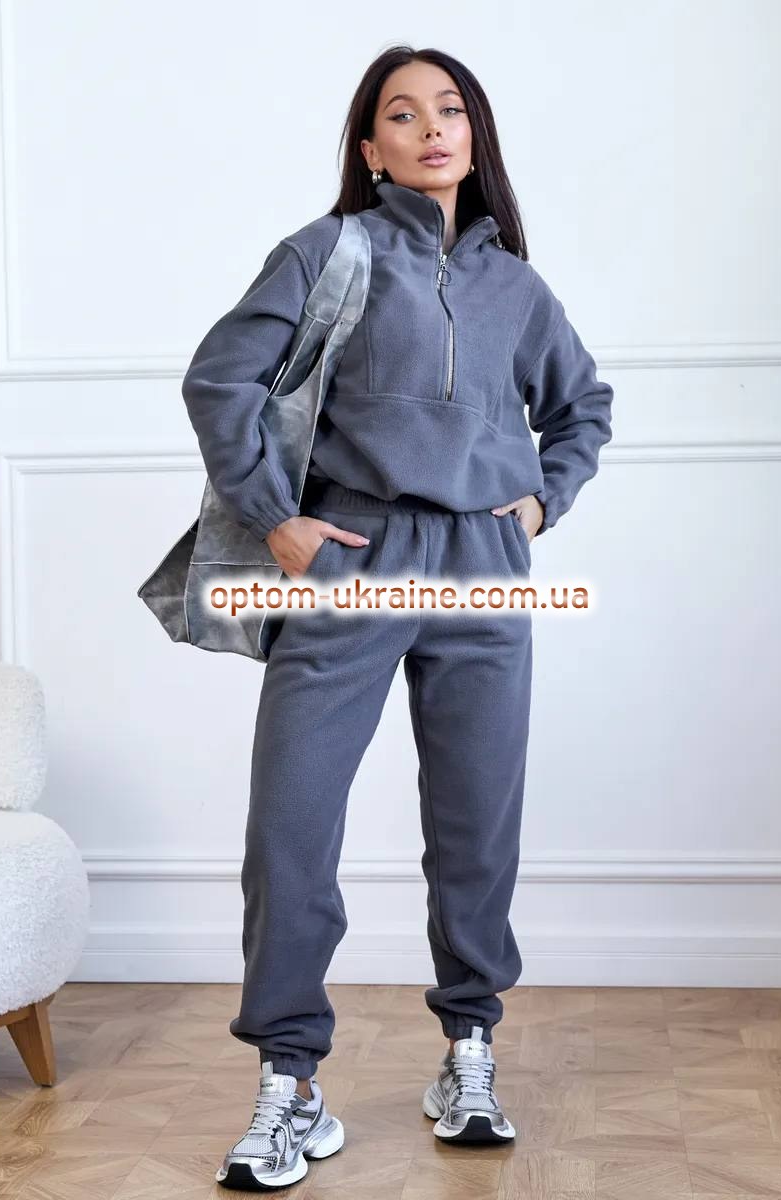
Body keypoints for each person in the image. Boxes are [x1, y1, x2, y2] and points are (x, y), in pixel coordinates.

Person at [181, 44, 613, 1192]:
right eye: (403, 114)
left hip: (483, 569)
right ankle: (290, 1081)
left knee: (475, 827)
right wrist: (276, 518)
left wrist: (543, 500)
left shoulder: (516, 288)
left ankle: (468, 1049)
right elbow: (221, 379)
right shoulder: (330, 252)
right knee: (291, 823)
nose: (431, 129)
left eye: (449, 110)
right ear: (370, 147)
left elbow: (583, 405)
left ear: (474, 136)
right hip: (355, 559)